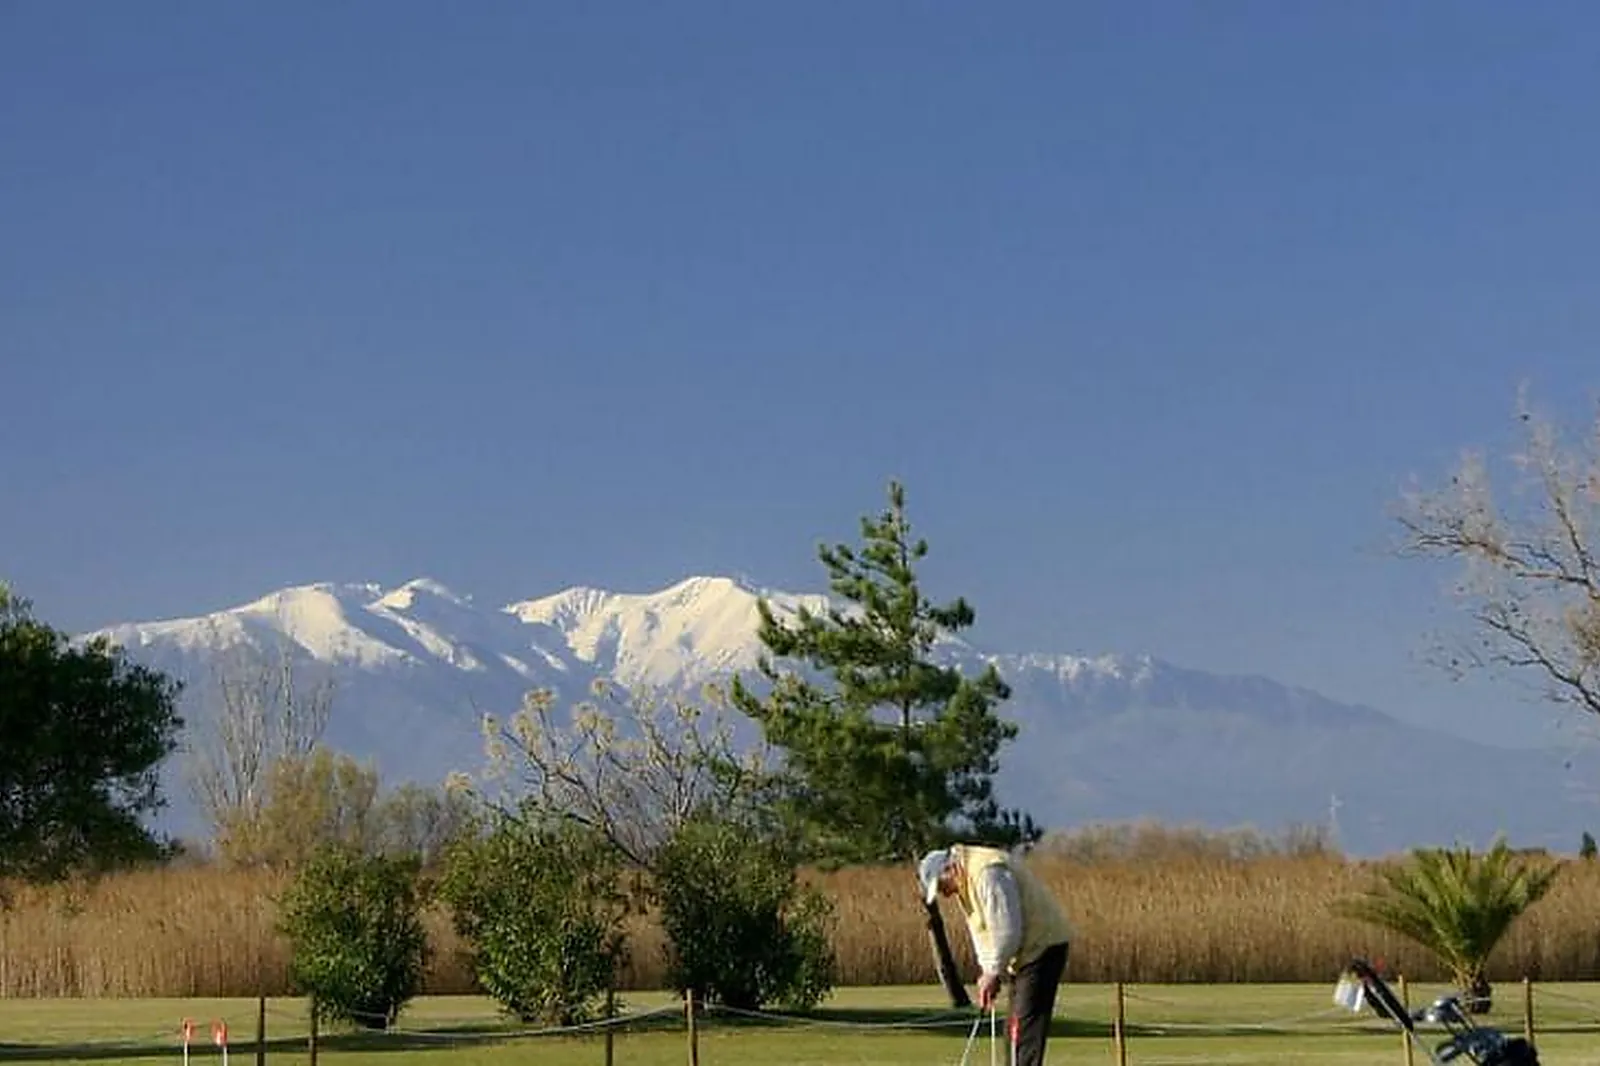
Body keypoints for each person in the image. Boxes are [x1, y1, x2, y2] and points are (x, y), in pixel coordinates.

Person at [918, 843, 1072, 1066]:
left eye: (942, 885)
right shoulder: (965, 881)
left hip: (1042, 947)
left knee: (1023, 1033)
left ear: (951, 869)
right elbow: (983, 932)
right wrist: (989, 971)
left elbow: (1007, 930)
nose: (944, 893)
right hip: (1025, 954)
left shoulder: (987, 873)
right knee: (1013, 1032)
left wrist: (993, 972)